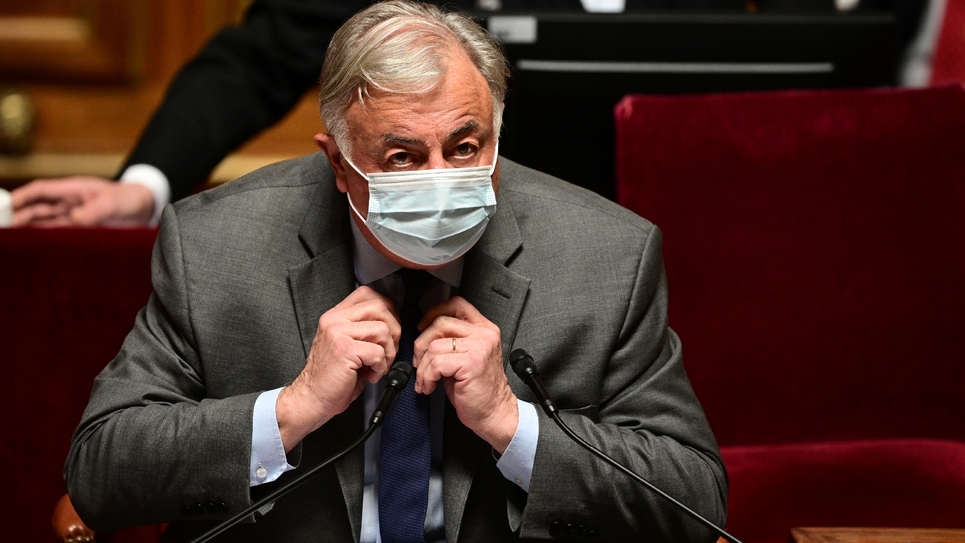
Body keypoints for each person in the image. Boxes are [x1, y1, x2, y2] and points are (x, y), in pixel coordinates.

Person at [64, 2, 726, 540]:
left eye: (465, 147)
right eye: (403, 157)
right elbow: (101, 471)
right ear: (337, 162)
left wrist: (509, 421)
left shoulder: (605, 254)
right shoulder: (217, 245)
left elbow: (692, 496)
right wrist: (289, 409)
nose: (443, 180)